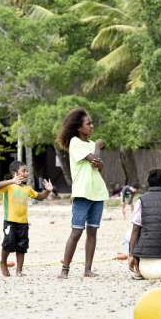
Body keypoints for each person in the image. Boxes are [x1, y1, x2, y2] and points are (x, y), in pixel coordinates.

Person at [56, 108, 109, 279]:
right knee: (77, 231)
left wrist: (96, 150)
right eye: (89, 123)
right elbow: (94, 159)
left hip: (98, 193)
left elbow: (99, 166)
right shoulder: (75, 142)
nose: (92, 126)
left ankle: (88, 269)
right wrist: (98, 146)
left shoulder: (90, 144)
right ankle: (65, 269)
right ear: (79, 128)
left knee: (92, 232)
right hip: (82, 193)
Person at [0, 161, 53, 277]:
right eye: (24, 171)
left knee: (22, 246)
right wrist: (11, 181)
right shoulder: (8, 186)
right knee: (8, 243)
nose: (27, 173)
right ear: (15, 173)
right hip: (10, 222)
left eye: (27, 170)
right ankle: (3, 262)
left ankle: (19, 270)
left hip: (23, 223)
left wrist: (48, 190)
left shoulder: (27, 188)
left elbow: (40, 197)